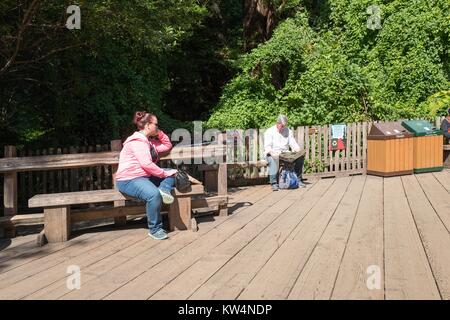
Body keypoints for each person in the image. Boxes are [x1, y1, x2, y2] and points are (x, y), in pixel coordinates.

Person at [115, 111, 178, 240]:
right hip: (129, 180)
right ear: (148, 125)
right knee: (153, 194)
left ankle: (164, 189)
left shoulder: (148, 142)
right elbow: (147, 164)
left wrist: (158, 132)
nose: (158, 126)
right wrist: (164, 173)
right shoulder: (137, 142)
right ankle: (155, 229)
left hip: (144, 177)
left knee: (174, 173)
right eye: (156, 124)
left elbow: (167, 145)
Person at [264, 114, 306, 191]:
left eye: (284, 126)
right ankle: (274, 183)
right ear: (277, 123)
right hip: (273, 152)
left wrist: (298, 150)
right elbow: (267, 147)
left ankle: (298, 179)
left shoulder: (288, 131)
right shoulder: (269, 131)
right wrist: (272, 153)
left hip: (285, 153)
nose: (283, 127)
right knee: (273, 158)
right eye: (282, 126)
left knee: (300, 157)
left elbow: (293, 143)